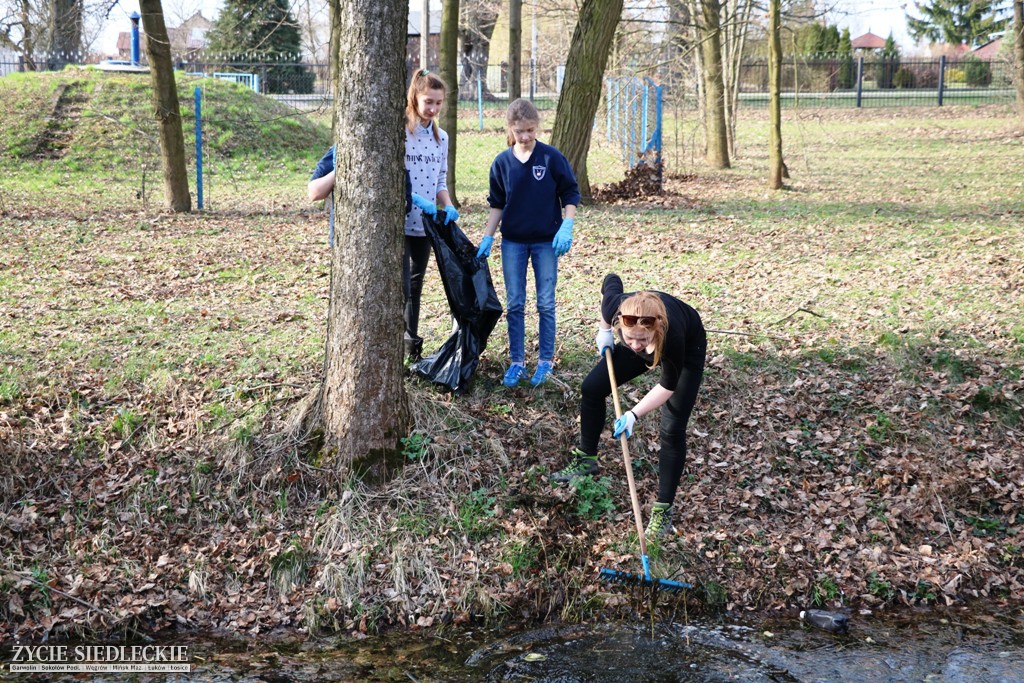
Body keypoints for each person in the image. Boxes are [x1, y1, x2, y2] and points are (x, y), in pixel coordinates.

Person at [551, 274, 707, 539]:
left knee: (671, 429)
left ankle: (663, 511)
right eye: (629, 338)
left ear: (654, 331)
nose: (634, 345)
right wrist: (604, 331)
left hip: (687, 349)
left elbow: (668, 387)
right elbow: (611, 279)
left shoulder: (672, 337)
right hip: (643, 330)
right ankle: (585, 460)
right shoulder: (617, 308)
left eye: (641, 341)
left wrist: (634, 414)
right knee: (592, 387)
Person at [476, 98, 579, 387]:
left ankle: (545, 361)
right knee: (516, 303)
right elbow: (497, 203)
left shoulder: (551, 157)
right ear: (510, 128)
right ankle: (517, 363)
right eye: (520, 131)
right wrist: (488, 235)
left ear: (537, 127)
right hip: (513, 243)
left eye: (531, 130)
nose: (526, 136)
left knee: (545, 303)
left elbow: (570, 193)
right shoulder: (502, 162)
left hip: (547, 242)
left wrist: (567, 224)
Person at [402, 69, 459, 362]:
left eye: (438, 103)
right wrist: (412, 198)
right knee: (398, 284)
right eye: (428, 102)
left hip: (423, 224)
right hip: (399, 221)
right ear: (415, 97)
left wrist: (446, 205)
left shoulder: (442, 138)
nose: (433, 109)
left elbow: (439, 181)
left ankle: (411, 343)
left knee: (415, 283)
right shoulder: (401, 132)